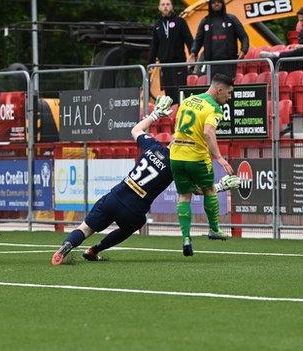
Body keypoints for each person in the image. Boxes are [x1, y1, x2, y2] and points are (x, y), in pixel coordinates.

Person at [51, 96, 239, 265]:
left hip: (116, 196)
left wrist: (156, 114)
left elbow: (136, 129)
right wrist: (221, 186)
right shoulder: (176, 166)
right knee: (129, 228)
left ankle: (67, 245)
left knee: (84, 229)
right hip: (135, 210)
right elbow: (198, 191)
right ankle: (94, 250)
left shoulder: (151, 146)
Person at [170, 73, 235, 257]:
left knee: (184, 197)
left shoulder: (189, 100)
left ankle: (185, 238)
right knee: (209, 191)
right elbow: (208, 132)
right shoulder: (213, 108)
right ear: (219, 90)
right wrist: (220, 158)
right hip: (196, 157)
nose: (228, 98)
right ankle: (214, 229)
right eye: (228, 94)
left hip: (176, 155)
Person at [188, 0, 249, 80]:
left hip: (229, 62)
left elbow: (244, 36)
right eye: (213, 2)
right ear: (210, 5)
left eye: (219, 2)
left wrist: (244, 50)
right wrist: (193, 52)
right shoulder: (205, 21)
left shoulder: (231, 19)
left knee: (228, 88)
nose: (216, 4)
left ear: (222, 3)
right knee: (213, 89)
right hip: (211, 63)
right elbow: (198, 40)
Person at [148, 0, 193, 104]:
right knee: (169, 93)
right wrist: (150, 63)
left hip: (178, 63)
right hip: (165, 64)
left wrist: (193, 54)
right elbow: (154, 45)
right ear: (159, 7)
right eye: (163, 5)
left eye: (168, 4)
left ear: (172, 6)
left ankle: (182, 114)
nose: (165, 7)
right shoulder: (158, 25)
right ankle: (172, 117)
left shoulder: (180, 21)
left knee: (180, 92)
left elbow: (189, 40)